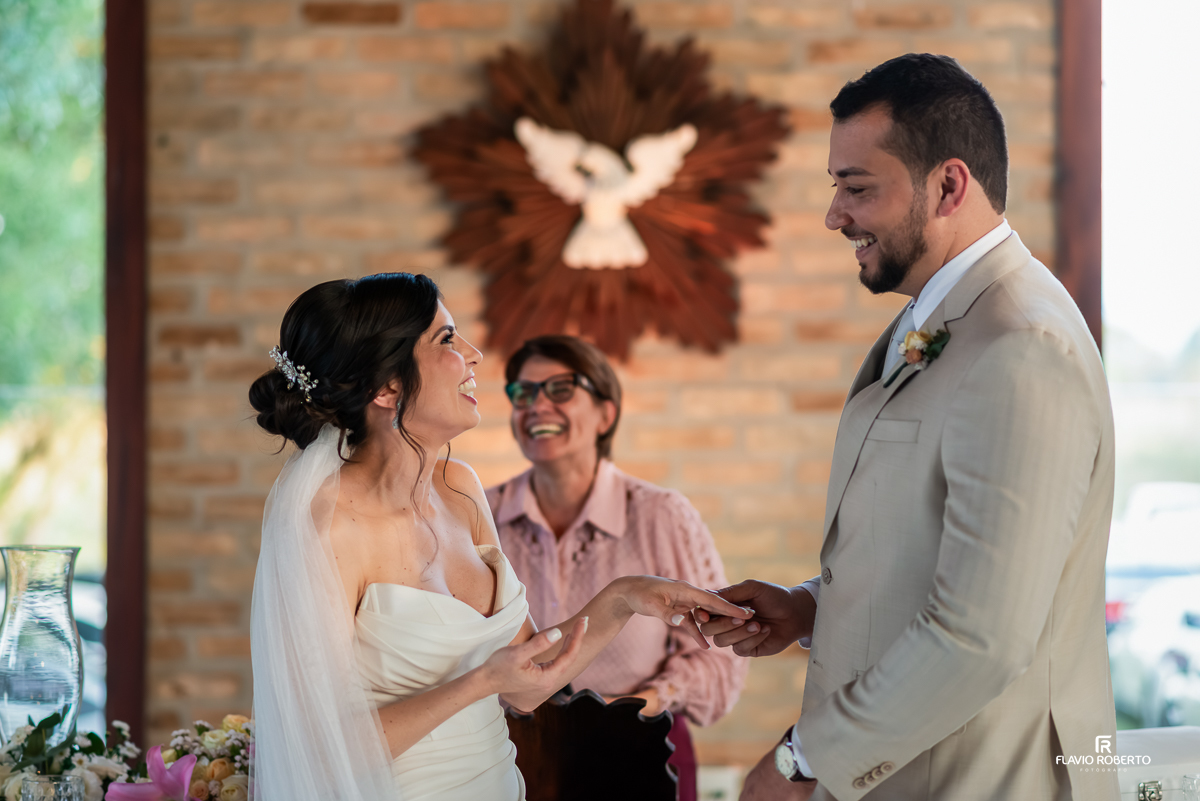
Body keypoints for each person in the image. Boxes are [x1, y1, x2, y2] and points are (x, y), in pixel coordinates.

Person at [700, 54, 1118, 801]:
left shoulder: (1023, 347)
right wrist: (809, 607)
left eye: (857, 188)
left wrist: (805, 757)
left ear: (949, 185)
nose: (835, 216)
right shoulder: (940, 316)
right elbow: (938, 553)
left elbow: (980, 638)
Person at [246, 273, 751, 801]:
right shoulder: (326, 523)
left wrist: (626, 597)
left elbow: (530, 683)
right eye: (446, 339)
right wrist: (479, 683)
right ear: (387, 388)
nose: (475, 353)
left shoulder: (460, 488)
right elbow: (317, 748)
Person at [487, 335, 748, 801]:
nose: (536, 406)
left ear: (606, 413)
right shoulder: (480, 517)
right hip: (509, 756)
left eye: (560, 389)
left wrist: (638, 705)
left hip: (642, 747)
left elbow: (719, 659)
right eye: (523, 393)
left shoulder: (662, 515)